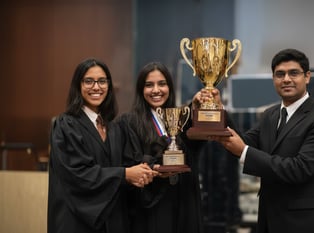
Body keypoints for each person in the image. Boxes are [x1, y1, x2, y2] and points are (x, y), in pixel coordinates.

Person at [212, 49, 314, 233]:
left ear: (307, 77)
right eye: (280, 74)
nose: (286, 79)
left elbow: (299, 169)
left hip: (306, 223)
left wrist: (244, 151)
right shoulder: (270, 115)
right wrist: (217, 110)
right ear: (273, 79)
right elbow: (242, 141)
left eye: (293, 73)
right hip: (270, 219)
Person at [47, 58, 157, 233]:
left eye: (102, 81)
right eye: (89, 81)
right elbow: (78, 174)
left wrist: (149, 169)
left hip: (112, 222)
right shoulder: (66, 125)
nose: (96, 87)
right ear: (78, 85)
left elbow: (128, 164)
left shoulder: (114, 128)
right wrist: (125, 174)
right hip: (76, 222)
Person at [117, 61, 215, 233]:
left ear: (170, 87)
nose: (156, 90)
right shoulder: (128, 123)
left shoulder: (182, 118)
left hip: (184, 200)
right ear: (141, 89)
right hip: (152, 207)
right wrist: (154, 166)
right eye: (149, 85)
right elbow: (128, 162)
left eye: (162, 84)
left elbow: (196, 147)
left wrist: (198, 108)